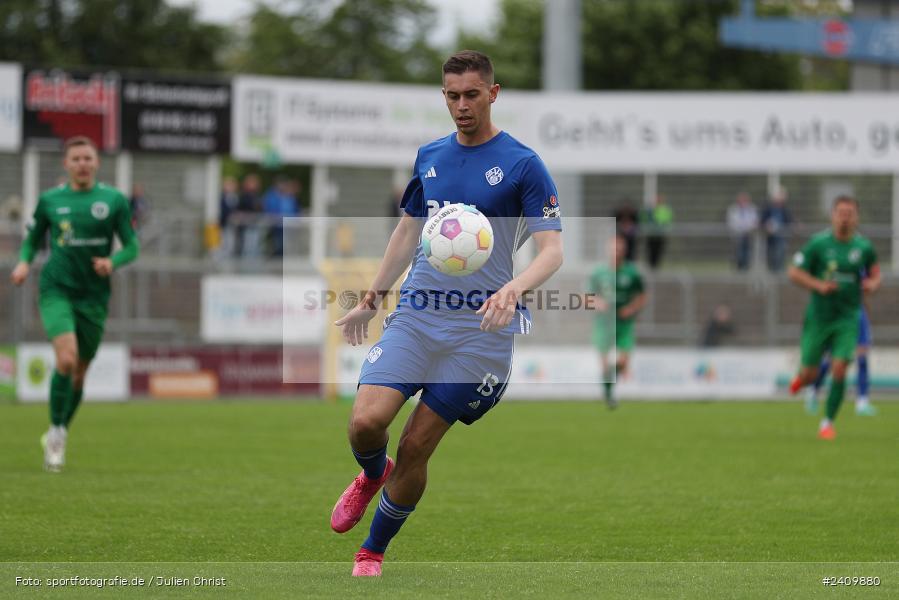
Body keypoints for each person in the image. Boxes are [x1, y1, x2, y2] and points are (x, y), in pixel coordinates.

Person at [330, 50, 563, 577]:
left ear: (493, 93)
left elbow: (551, 250)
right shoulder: (429, 157)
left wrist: (513, 289)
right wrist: (370, 301)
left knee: (415, 447)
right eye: (453, 96)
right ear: (444, 97)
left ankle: (372, 551)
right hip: (418, 315)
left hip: (479, 332)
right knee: (366, 424)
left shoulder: (524, 165)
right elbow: (407, 232)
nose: (462, 105)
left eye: (472, 95)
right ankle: (370, 475)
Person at [9, 136, 139, 471]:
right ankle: (54, 434)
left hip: (94, 296)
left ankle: (62, 427)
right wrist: (24, 263)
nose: (82, 163)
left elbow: (132, 246)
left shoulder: (113, 200)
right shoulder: (50, 200)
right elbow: (33, 240)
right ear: (66, 164)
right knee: (65, 360)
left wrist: (114, 261)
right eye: (76, 158)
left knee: (80, 372)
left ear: (97, 163)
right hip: (56, 289)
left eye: (88, 158)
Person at [787, 195, 880, 440]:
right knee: (810, 374)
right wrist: (818, 285)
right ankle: (801, 378)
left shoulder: (863, 248)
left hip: (847, 318)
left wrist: (872, 283)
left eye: (850, 212)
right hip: (819, 318)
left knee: (840, 368)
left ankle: (827, 423)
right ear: (833, 215)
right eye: (841, 212)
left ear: (857, 216)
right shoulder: (818, 244)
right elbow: (794, 271)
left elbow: (875, 272)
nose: (845, 217)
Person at [587, 233, 647, 409]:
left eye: (619, 248)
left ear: (624, 250)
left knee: (623, 362)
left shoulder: (632, 273)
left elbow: (642, 296)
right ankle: (608, 393)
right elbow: (586, 297)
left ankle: (609, 384)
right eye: (613, 247)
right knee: (605, 365)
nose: (616, 251)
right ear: (608, 250)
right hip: (604, 323)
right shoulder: (599, 272)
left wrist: (631, 309)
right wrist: (597, 302)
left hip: (624, 323)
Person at [805, 302, 877, 417]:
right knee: (831, 361)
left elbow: (869, 286)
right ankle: (813, 390)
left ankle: (862, 402)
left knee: (862, 357)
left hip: (856, 310)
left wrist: (871, 286)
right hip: (837, 311)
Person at [262, 176, 299, 257]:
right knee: (278, 243)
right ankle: (276, 259)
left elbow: (295, 210)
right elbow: (270, 208)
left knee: (285, 243)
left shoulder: (289, 197)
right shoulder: (272, 196)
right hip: (277, 224)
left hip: (288, 225)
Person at [761, 186, 793, 272]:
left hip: (781, 238)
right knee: (770, 258)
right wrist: (767, 226)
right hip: (770, 238)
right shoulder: (767, 209)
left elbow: (789, 221)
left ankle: (779, 275)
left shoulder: (785, 210)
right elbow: (762, 221)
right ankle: (772, 275)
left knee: (780, 256)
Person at [726, 192, 758, 271]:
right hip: (738, 236)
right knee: (738, 254)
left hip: (749, 236)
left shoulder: (752, 209)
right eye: (742, 200)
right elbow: (732, 223)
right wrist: (742, 229)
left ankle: (745, 268)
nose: (743, 202)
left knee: (747, 254)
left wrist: (748, 229)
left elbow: (755, 222)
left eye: (745, 200)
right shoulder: (733, 210)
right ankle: (739, 268)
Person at [643, 194, 672, 270]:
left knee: (658, 252)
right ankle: (650, 267)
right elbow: (645, 220)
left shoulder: (665, 210)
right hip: (651, 235)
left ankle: (655, 268)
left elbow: (667, 221)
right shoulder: (650, 210)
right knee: (650, 252)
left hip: (660, 235)